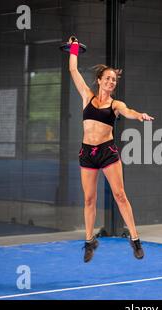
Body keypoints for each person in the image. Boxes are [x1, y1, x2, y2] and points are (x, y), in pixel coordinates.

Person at [67, 36, 154, 263]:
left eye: (114, 80)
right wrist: (74, 48)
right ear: (99, 80)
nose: (111, 82)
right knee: (89, 199)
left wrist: (140, 116)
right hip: (87, 153)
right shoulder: (87, 96)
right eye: (107, 78)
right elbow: (73, 69)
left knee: (120, 195)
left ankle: (135, 239)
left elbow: (129, 111)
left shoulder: (115, 105)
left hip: (107, 152)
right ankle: (89, 242)